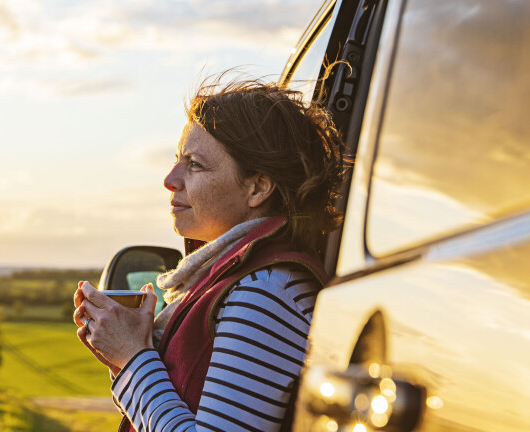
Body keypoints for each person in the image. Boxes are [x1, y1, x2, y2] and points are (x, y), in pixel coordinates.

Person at [73, 76, 345, 432]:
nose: (170, 179)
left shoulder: (265, 291)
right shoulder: (243, 279)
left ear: (257, 187)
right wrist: (128, 351)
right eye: (176, 160)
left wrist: (131, 359)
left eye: (195, 164)